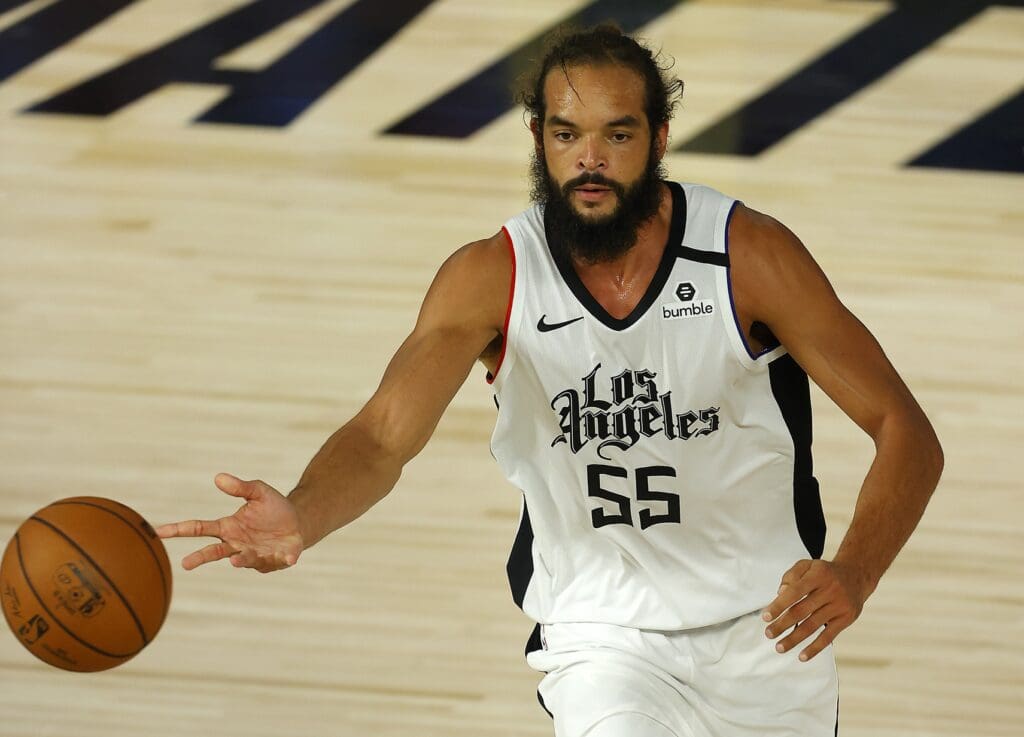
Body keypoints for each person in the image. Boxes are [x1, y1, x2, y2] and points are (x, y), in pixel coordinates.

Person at [157, 25, 943, 737]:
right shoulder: (492, 277)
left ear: (659, 139)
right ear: (538, 138)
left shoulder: (748, 257)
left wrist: (856, 570)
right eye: (567, 134)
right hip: (602, 635)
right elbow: (382, 436)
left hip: (771, 629)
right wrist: (303, 511)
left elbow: (905, 429)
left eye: (617, 135)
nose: (589, 159)